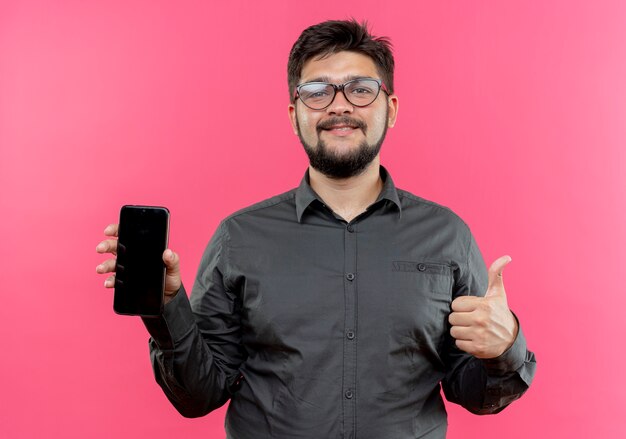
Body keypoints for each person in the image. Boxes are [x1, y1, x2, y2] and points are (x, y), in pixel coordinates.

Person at [96, 19, 536, 439]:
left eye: (361, 89)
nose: (339, 105)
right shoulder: (239, 238)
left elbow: (475, 394)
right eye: (317, 91)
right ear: (294, 115)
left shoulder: (447, 235)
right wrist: (166, 305)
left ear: (391, 108)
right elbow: (199, 395)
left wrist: (504, 348)